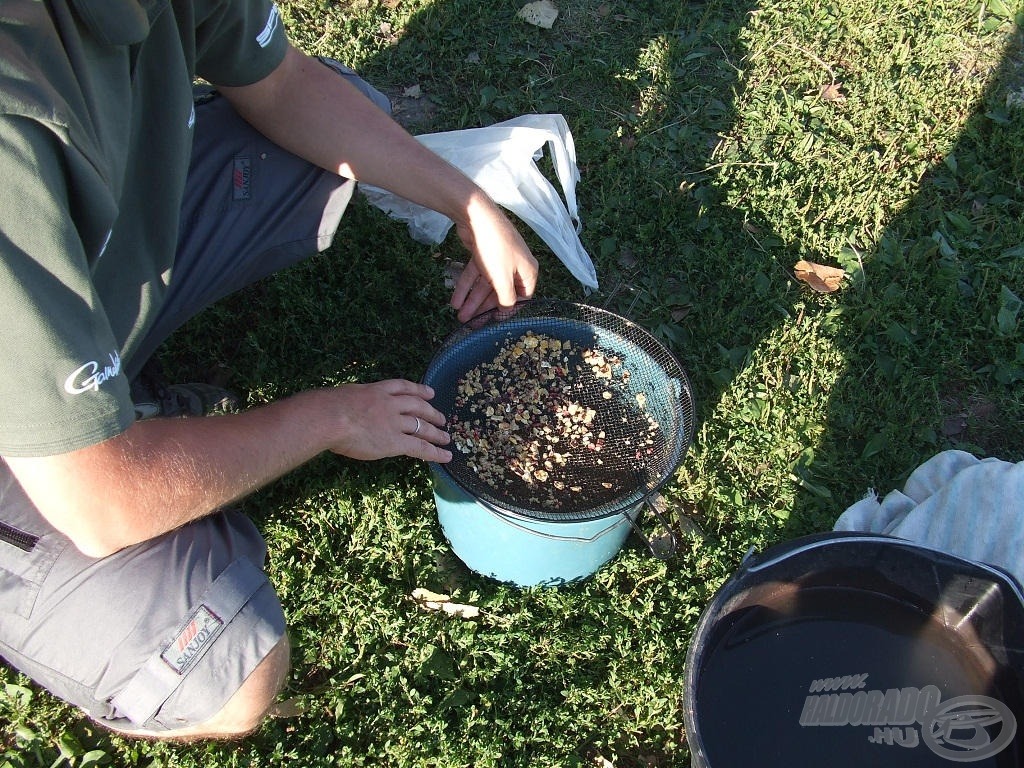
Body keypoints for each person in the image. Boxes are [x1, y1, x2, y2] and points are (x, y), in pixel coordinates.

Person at [0, 0, 538, 740]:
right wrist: (332, 417)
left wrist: (466, 200)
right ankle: (105, 420)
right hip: (38, 452)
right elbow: (102, 502)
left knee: (340, 124)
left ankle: (111, 383)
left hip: (73, 262)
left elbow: (281, 84)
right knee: (231, 679)